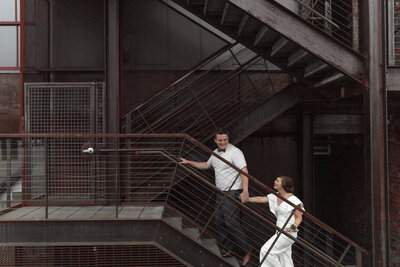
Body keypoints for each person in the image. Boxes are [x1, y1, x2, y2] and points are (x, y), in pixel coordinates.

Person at [180, 127, 252, 266]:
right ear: (215, 140)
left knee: (230, 222)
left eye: (225, 140)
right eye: (220, 140)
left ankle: (246, 249)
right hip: (220, 192)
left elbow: (244, 171)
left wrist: (245, 191)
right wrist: (189, 162)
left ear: (227, 139)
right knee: (219, 220)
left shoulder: (235, 152)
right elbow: (206, 165)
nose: (222, 142)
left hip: (233, 191)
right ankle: (231, 248)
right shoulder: (214, 153)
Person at [247, 176, 304, 267]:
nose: (274, 181)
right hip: (279, 231)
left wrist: (293, 227)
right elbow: (263, 199)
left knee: (266, 251)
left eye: (277, 181)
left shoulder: (293, 200)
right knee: (286, 260)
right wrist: (248, 199)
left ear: (284, 184)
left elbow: (299, 217)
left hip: (288, 232)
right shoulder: (276, 195)